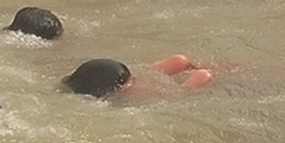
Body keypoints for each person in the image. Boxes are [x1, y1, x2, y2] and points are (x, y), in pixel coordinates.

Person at [62, 55, 212, 98]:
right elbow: (202, 77)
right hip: (173, 93)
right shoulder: (144, 93)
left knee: (181, 61)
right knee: (203, 74)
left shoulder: (80, 84)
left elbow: (179, 61)